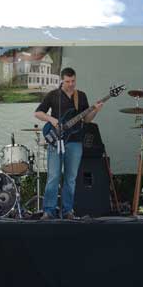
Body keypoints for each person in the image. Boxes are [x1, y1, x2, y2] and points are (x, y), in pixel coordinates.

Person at [35, 68, 103, 220]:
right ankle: (49, 210)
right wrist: (52, 120)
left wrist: (96, 110)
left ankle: (68, 210)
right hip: (56, 140)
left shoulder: (81, 96)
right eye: (67, 81)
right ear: (62, 80)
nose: (71, 84)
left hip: (75, 141)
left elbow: (87, 119)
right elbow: (38, 113)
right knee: (53, 176)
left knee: (71, 178)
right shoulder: (53, 95)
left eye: (73, 81)